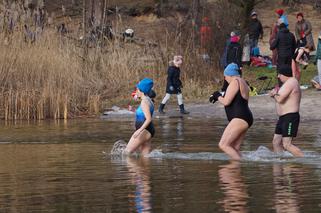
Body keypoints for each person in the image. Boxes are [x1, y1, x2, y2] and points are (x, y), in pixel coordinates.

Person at [209, 63, 253, 160]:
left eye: (225, 76)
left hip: (240, 118)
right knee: (234, 148)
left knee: (223, 145)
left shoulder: (235, 82)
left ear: (230, 74)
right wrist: (219, 96)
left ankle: (239, 164)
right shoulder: (243, 82)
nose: (225, 79)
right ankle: (235, 172)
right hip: (246, 117)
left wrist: (216, 95)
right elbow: (235, 99)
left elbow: (226, 102)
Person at [269, 65, 303, 157]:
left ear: (284, 74)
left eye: (279, 74)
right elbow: (279, 100)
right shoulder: (287, 83)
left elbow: (280, 99)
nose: (278, 77)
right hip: (283, 118)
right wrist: (275, 95)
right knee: (276, 142)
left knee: (287, 144)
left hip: (290, 117)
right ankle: (280, 164)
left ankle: (304, 161)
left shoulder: (292, 82)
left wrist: (274, 94)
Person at [124, 78, 155, 156]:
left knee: (126, 153)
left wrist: (139, 131)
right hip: (148, 130)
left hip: (144, 130)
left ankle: (132, 168)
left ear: (141, 90)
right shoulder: (148, 100)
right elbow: (143, 113)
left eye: (137, 89)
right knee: (144, 157)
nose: (136, 91)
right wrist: (134, 110)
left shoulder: (144, 102)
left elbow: (148, 119)